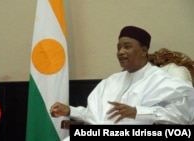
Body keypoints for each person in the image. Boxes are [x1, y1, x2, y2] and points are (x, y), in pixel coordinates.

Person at [50, 26, 194, 126]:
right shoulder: (111, 81)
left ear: (144, 50)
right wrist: (71, 110)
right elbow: (97, 116)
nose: (120, 52)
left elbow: (182, 117)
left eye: (127, 46)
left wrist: (138, 112)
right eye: (118, 47)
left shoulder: (164, 82)